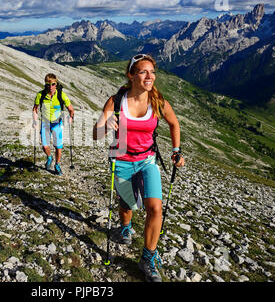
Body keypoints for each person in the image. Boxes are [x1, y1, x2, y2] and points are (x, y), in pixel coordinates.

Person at [92, 54, 185, 282]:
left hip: (147, 160)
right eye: (143, 72)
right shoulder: (116, 101)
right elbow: (95, 134)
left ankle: (148, 257)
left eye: (152, 72)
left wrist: (176, 150)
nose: (149, 76)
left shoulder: (158, 101)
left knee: (155, 208)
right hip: (121, 160)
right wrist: (106, 127)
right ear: (131, 75)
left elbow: (174, 123)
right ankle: (125, 226)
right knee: (128, 204)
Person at [33, 73, 74, 175]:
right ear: (45, 85)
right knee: (44, 145)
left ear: (56, 84)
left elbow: (71, 109)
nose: (50, 87)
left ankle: (57, 165)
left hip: (57, 123)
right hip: (45, 123)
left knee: (58, 146)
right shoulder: (40, 95)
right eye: (48, 85)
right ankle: (49, 157)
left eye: (53, 84)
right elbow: (35, 109)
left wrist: (71, 117)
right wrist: (35, 119)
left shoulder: (61, 95)